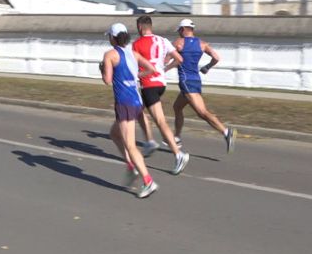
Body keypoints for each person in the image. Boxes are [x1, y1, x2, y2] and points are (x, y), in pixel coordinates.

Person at [100, 22, 159, 198]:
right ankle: (130, 166)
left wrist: (102, 69)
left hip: (124, 103)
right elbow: (151, 69)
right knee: (114, 134)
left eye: (109, 36)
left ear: (112, 37)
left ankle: (148, 181)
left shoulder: (110, 54)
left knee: (131, 145)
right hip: (136, 101)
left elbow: (107, 80)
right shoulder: (133, 53)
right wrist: (135, 77)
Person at [131, 15, 190, 175]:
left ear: (140, 27)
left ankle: (178, 155)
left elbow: (133, 65)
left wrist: (139, 74)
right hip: (161, 83)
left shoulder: (136, 44)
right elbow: (179, 58)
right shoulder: (162, 40)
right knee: (137, 109)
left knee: (161, 121)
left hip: (148, 84)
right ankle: (149, 141)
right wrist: (165, 68)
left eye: (137, 26)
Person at [172, 19, 235, 153]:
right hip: (196, 80)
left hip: (186, 82)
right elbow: (216, 58)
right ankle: (176, 137)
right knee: (177, 107)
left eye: (179, 30)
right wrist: (207, 67)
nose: (178, 33)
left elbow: (167, 58)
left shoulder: (179, 43)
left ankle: (226, 132)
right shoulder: (202, 44)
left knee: (202, 112)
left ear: (183, 29)